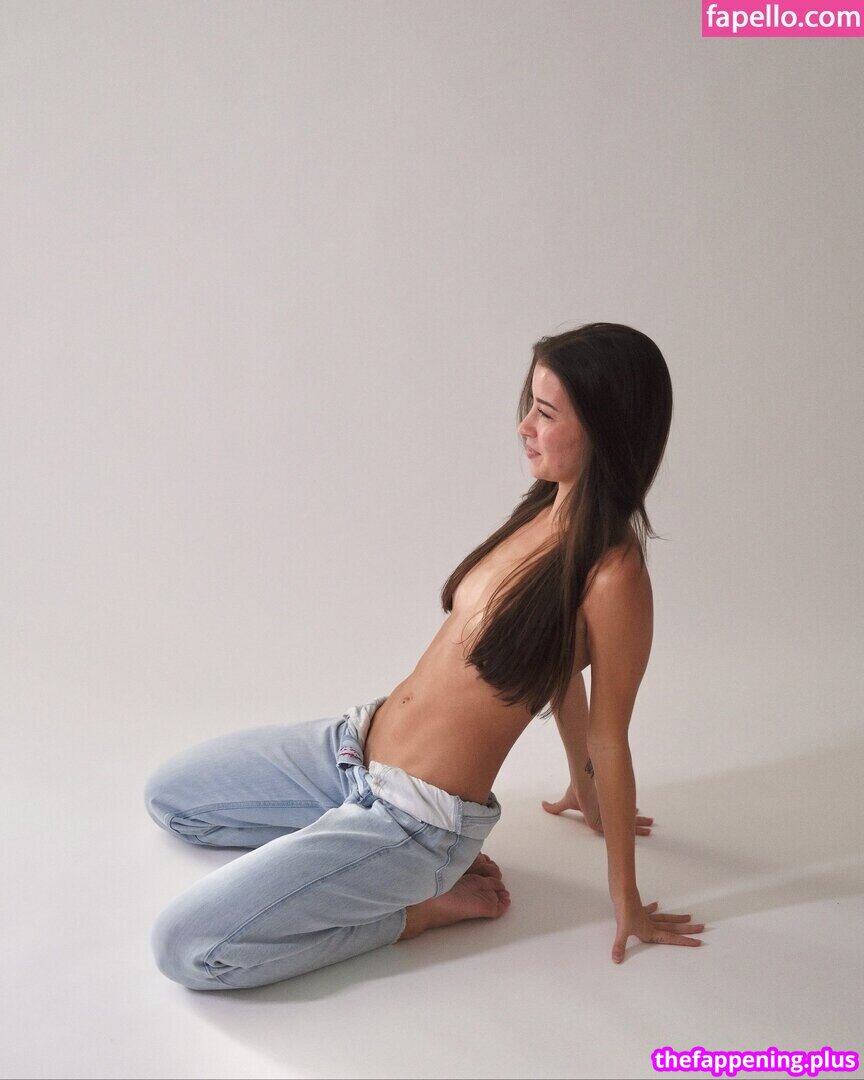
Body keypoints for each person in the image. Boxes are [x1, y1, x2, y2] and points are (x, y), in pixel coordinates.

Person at [144, 321, 705, 990]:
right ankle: (333, 852)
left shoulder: (615, 576)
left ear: (607, 430)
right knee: (172, 800)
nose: (524, 426)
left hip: (415, 823)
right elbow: (553, 666)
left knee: (185, 948)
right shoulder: (543, 510)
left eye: (546, 413)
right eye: (528, 404)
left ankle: (415, 910)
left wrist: (626, 900)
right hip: (351, 747)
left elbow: (611, 736)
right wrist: (579, 789)